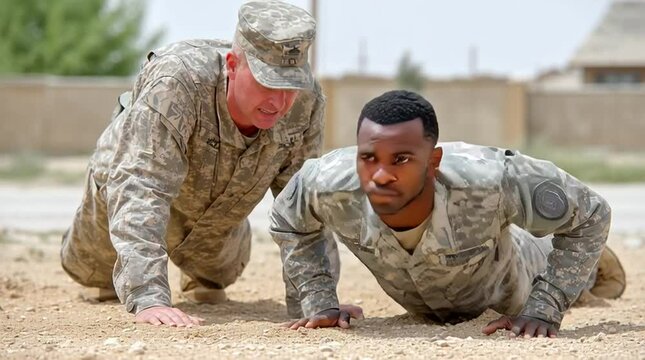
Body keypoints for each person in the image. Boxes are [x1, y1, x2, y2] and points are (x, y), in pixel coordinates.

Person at [60, 0, 336, 327]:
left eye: (290, 86)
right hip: (123, 195)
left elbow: (303, 206)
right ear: (233, 65)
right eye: (268, 83)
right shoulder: (178, 79)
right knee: (92, 270)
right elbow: (141, 183)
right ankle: (119, 273)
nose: (279, 101)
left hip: (219, 211)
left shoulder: (306, 104)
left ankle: (198, 272)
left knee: (219, 274)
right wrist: (148, 296)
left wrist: (317, 300)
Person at [270, 90, 626, 337]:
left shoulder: (490, 179)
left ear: (433, 162)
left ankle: (594, 268)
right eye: (368, 158)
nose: (380, 175)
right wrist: (320, 300)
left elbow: (592, 214)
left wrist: (544, 307)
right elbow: (288, 220)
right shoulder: (327, 184)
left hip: (513, 269)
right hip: (427, 299)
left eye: (402, 160)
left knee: (554, 257)